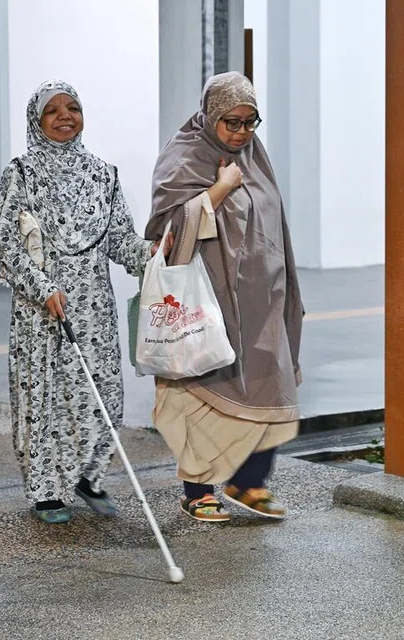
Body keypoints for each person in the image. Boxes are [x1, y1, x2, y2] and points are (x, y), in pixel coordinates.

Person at [0, 80, 170, 524]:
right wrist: (41, 287)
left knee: (101, 395)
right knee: (46, 397)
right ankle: (47, 491)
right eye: (52, 110)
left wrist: (149, 254)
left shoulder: (103, 174)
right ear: (36, 121)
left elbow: (117, 240)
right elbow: (8, 243)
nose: (64, 116)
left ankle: (87, 477)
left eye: (72, 107)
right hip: (43, 308)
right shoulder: (22, 173)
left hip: (93, 306)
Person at [146, 72, 303, 523]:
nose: (240, 132)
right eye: (231, 122)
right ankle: (197, 488)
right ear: (211, 115)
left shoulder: (256, 155)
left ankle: (249, 481)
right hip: (208, 298)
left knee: (268, 384)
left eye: (250, 122)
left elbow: (273, 222)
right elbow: (168, 227)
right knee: (204, 388)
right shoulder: (186, 155)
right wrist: (221, 188)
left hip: (261, 296)